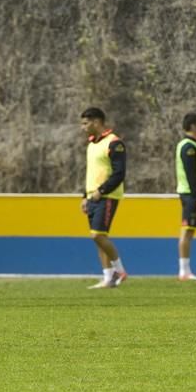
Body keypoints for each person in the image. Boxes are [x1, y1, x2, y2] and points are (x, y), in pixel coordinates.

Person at [80, 107, 128, 289]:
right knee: (100, 237)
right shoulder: (92, 144)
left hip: (107, 195)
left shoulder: (114, 143)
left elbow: (119, 173)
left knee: (97, 235)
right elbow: (91, 173)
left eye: (85, 123)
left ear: (96, 122)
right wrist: (85, 196)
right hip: (93, 196)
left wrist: (102, 190)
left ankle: (120, 270)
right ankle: (108, 277)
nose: (83, 127)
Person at [175, 112, 196, 281]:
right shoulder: (189, 147)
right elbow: (191, 174)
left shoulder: (191, 145)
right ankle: (184, 271)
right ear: (193, 125)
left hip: (190, 193)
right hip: (190, 194)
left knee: (189, 231)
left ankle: (185, 270)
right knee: (187, 231)